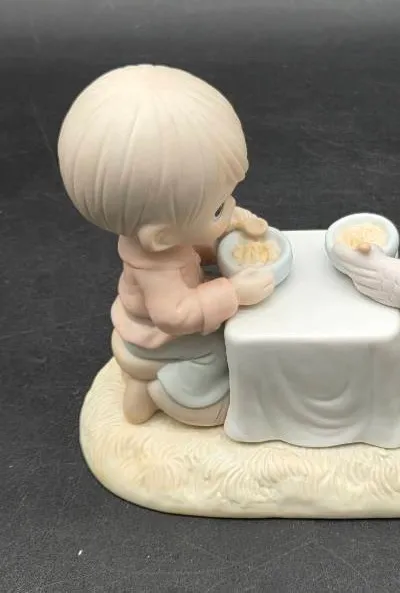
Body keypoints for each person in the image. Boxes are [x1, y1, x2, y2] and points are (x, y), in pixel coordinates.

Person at [57, 64, 274, 426]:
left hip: (153, 323)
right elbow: (175, 315)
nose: (232, 207)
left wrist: (226, 231)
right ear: (161, 237)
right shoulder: (157, 271)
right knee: (219, 350)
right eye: (218, 207)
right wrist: (234, 292)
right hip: (161, 338)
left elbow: (190, 250)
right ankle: (175, 397)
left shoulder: (160, 244)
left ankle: (150, 393)